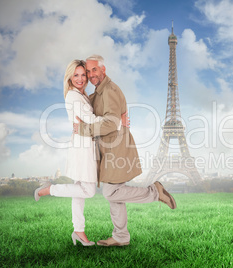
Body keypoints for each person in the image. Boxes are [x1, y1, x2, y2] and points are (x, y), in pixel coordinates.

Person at [74, 54, 176, 247]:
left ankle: (155, 192)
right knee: (115, 192)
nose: (90, 74)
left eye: (94, 69)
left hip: (116, 149)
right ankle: (121, 236)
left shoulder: (110, 90)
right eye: (87, 71)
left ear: (103, 70)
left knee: (110, 192)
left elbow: (110, 123)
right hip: (110, 148)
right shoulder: (99, 93)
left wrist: (82, 129)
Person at [34, 59, 127, 246]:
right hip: (83, 147)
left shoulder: (81, 95)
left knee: (79, 192)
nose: (80, 78)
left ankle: (78, 231)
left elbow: (89, 121)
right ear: (69, 77)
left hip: (85, 143)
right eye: (75, 75)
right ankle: (48, 190)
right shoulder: (73, 97)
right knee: (88, 191)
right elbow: (91, 120)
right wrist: (117, 121)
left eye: (83, 74)